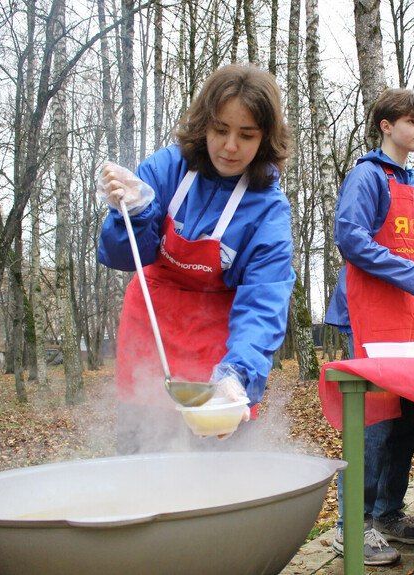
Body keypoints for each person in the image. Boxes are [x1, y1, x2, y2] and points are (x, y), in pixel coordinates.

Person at [96, 64, 295, 450]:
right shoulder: (165, 169)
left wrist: (237, 375)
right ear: (204, 125)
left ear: (266, 138)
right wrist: (134, 215)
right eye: (221, 130)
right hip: (151, 327)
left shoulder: (268, 209)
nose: (230, 146)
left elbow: (264, 301)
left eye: (247, 135)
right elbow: (119, 254)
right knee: (142, 447)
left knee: (217, 455)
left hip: (220, 339)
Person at [324, 88, 414, 565]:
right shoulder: (366, 176)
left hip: (407, 319)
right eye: (411, 120)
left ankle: (386, 511)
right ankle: (351, 525)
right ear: (386, 125)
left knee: (405, 418)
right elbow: (351, 239)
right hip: (368, 316)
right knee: (374, 421)